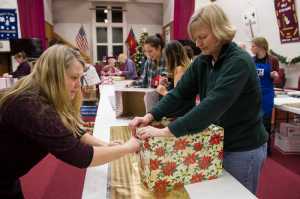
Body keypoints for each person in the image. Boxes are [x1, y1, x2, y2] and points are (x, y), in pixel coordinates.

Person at [129, 3, 267, 194]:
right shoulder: (203, 60)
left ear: (220, 31)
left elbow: (213, 105)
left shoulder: (239, 62)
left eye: (202, 37)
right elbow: (179, 94)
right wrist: (150, 116)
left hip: (242, 148)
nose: (198, 44)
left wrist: (167, 131)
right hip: (215, 142)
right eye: (195, 39)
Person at [0, 44, 140, 199]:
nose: (78, 85)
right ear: (54, 75)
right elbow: (80, 156)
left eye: (80, 78)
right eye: (74, 78)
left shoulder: (41, 93)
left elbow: (72, 128)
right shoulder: (31, 105)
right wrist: (128, 147)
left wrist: (105, 145)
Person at [251, 37, 279, 156]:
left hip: (267, 94)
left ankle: (266, 149)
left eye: (253, 46)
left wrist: (275, 75)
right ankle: (254, 146)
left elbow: (278, 78)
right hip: (253, 94)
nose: (251, 48)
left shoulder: (272, 60)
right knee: (253, 122)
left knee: (266, 123)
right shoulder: (251, 60)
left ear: (260, 46)